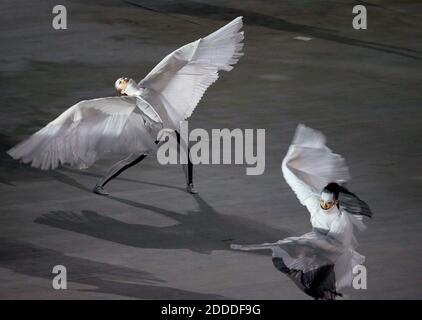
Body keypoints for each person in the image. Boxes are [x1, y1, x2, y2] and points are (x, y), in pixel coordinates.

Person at [7, 17, 244, 195]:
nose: (124, 77)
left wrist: (207, 44)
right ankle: (100, 184)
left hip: (171, 119)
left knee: (186, 152)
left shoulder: (149, 83)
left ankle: (190, 184)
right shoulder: (125, 102)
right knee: (130, 161)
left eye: (123, 76)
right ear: (121, 89)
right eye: (121, 81)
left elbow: (177, 59)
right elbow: (81, 111)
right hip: (152, 131)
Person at [231, 124, 372, 300]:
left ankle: (327, 293)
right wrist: (288, 166)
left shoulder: (341, 220)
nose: (324, 205)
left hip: (331, 255)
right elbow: (301, 188)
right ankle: (327, 293)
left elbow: (336, 246)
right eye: (323, 201)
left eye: (328, 202)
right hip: (320, 253)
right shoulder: (317, 203)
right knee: (291, 266)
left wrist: (304, 243)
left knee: (316, 284)